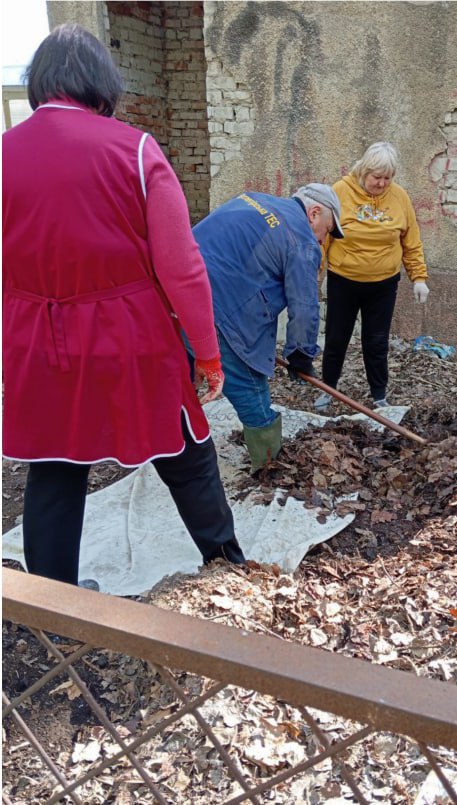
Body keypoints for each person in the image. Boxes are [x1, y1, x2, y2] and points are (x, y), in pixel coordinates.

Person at [2, 23, 245, 586]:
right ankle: (229, 566)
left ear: (40, 83)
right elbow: (182, 268)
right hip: (129, 335)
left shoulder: (2, 155)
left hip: (37, 341)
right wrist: (208, 353)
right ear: (100, 83)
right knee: (185, 451)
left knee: (55, 467)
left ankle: (53, 606)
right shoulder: (133, 150)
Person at [193, 184, 343, 471]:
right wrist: (300, 355)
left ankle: (174, 446)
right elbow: (304, 305)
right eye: (326, 231)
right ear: (314, 213)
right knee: (250, 385)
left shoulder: (251, 198)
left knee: (181, 377)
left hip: (176, 291)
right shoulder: (302, 240)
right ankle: (268, 465)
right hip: (219, 307)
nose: (323, 241)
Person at [315, 142, 428, 411]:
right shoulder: (339, 192)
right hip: (344, 280)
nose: (381, 184)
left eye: (387, 178)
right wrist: (315, 280)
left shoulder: (399, 197)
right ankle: (328, 389)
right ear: (364, 171)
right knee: (335, 338)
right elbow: (322, 239)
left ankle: (379, 395)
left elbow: (411, 240)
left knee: (376, 341)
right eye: (376, 177)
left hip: (383, 284)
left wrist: (419, 277)